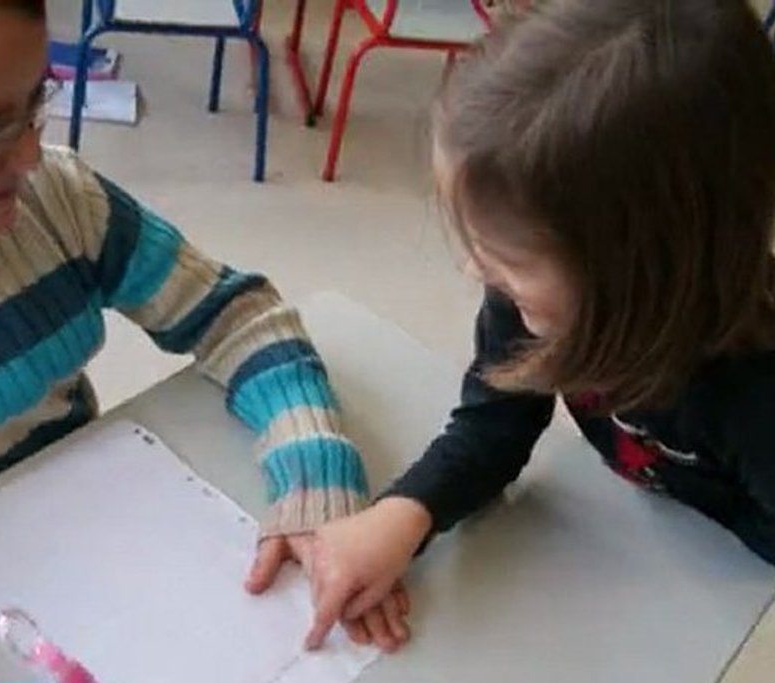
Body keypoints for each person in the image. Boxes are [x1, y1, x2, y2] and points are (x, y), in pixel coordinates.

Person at [0, 1, 406, 683]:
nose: (31, 154)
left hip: (100, 540)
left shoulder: (60, 201)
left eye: (37, 100)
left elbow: (237, 316)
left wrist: (314, 480)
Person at [302, 0, 775, 650]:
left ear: (638, 276)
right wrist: (404, 513)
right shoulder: (532, 294)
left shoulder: (753, 395)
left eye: (506, 260)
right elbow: (497, 421)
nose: (475, 269)